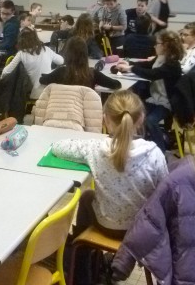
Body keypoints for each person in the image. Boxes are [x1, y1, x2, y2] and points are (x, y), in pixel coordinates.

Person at [51, 90, 168, 238]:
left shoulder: (95, 148)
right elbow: (165, 194)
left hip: (106, 226)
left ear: (105, 120)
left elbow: (58, 147)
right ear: (141, 118)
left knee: (86, 196)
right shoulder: (154, 153)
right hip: (142, 230)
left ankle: (80, 246)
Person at [117, 30, 183, 152]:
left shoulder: (173, 64)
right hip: (155, 98)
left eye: (157, 43)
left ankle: (161, 152)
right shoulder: (160, 58)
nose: (154, 46)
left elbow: (153, 74)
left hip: (167, 103)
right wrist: (130, 63)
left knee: (150, 121)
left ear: (165, 46)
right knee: (133, 113)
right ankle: (141, 147)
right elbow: (147, 65)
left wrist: (130, 68)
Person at [1, 28, 64, 99]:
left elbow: (6, 72)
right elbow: (61, 61)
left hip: (34, 93)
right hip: (50, 92)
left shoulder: (21, 53)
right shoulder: (46, 49)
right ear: (36, 38)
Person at [40, 36, 121, 91]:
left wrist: (48, 75)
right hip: (85, 110)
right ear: (85, 54)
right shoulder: (93, 74)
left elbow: (42, 80)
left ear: (67, 53)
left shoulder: (60, 72)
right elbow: (116, 85)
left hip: (64, 110)